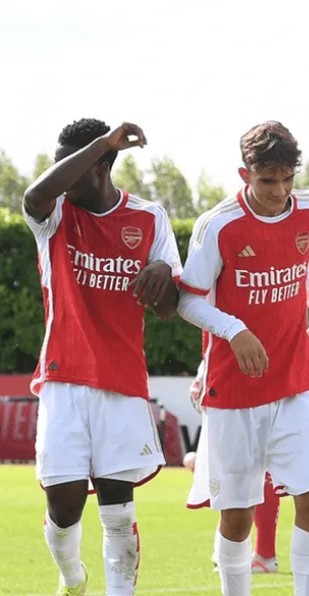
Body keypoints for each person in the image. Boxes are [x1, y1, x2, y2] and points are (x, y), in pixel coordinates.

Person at [22, 118, 182, 595]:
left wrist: (161, 276)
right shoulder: (52, 215)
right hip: (63, 380)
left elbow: (171, 308)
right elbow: (32, 197)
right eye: (60, 166)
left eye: (76, 167)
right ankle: (72, 576)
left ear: (104, 168)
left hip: (122, 384)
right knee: (65, 508)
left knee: (118, 507)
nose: (64, 177)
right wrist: (101, 143)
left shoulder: (150, 218)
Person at [177, 121, 309, 596]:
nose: (280, 191)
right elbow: (187, 299)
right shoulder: (218, 224)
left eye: (288, 178)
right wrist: (234, 329)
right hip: (236, 388)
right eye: (268, 181)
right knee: (238, 513)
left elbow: (299, 262)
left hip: (297, 381)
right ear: (244, 174)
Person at [186, 265, 309, 575]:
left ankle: (260, 554)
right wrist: (295, 355)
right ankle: (258, 554)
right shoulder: (290, 249)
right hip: (270, 385)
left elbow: (186, 301)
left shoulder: (218, 239)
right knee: (262, 484)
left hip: (229, 385)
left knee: (243, 488)